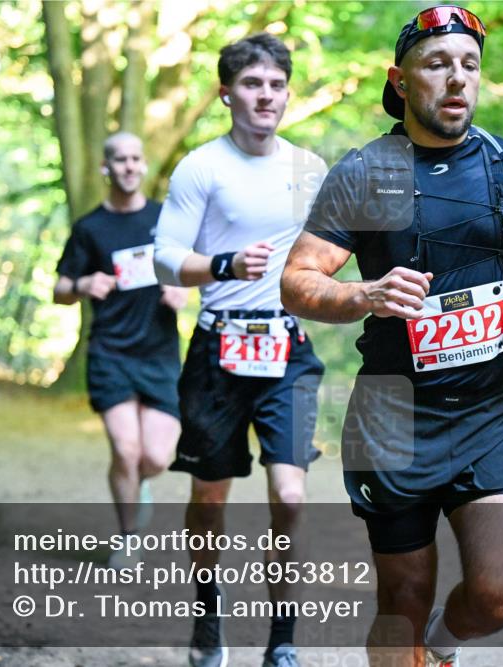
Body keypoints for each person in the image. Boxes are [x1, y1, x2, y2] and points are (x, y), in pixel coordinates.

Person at [281, 6, 503, 666]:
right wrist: (364, 293)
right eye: (438, 64)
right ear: (402, 79)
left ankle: (441, 646)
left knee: (500, 592)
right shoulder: (364, 173)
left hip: (485, 411)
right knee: (402, 597)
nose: (457, 79)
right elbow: (296, 280)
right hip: (394, 416)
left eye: (469, 65)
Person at [154, 33, 328, 667]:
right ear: (226, 92)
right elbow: (166, 260)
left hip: (288, 350)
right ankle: (207, 614)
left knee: (290, 493)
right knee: (210, 497)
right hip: (217, 354)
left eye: (277, 85)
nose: (266, 96)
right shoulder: (202, 166)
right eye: (253, 84)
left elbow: (339, 251)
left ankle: (282, 638)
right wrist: (224, 264)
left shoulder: (309, 170)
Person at [54, 132, 187, 569]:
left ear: (144, 165)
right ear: (105, 168)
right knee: (126, 450)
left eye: (135, 158)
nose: (129, 166)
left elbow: (191, 268)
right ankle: (129, 538)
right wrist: (82, 284)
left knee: (155, 457)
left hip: (160, 353)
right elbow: (58, 288)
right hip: (110, 352)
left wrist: (181, 290)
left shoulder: (166, 218)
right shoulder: (89, 228)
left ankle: (136, 483)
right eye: (120, 160)